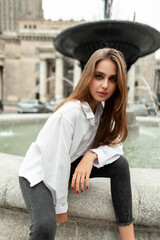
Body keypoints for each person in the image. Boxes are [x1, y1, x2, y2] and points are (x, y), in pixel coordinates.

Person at [19, 48, 135, 240]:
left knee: (120, 165)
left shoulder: (102, 111)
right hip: (39, 172)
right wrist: (60, 205)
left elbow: (116, 147)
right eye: (99, 76)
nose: (105, 85)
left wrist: (91, 156)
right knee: (45, 227)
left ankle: (128, 238)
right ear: (88, 76)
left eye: (112, 79)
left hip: (68, 163)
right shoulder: (70, 114)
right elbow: (56, 162)